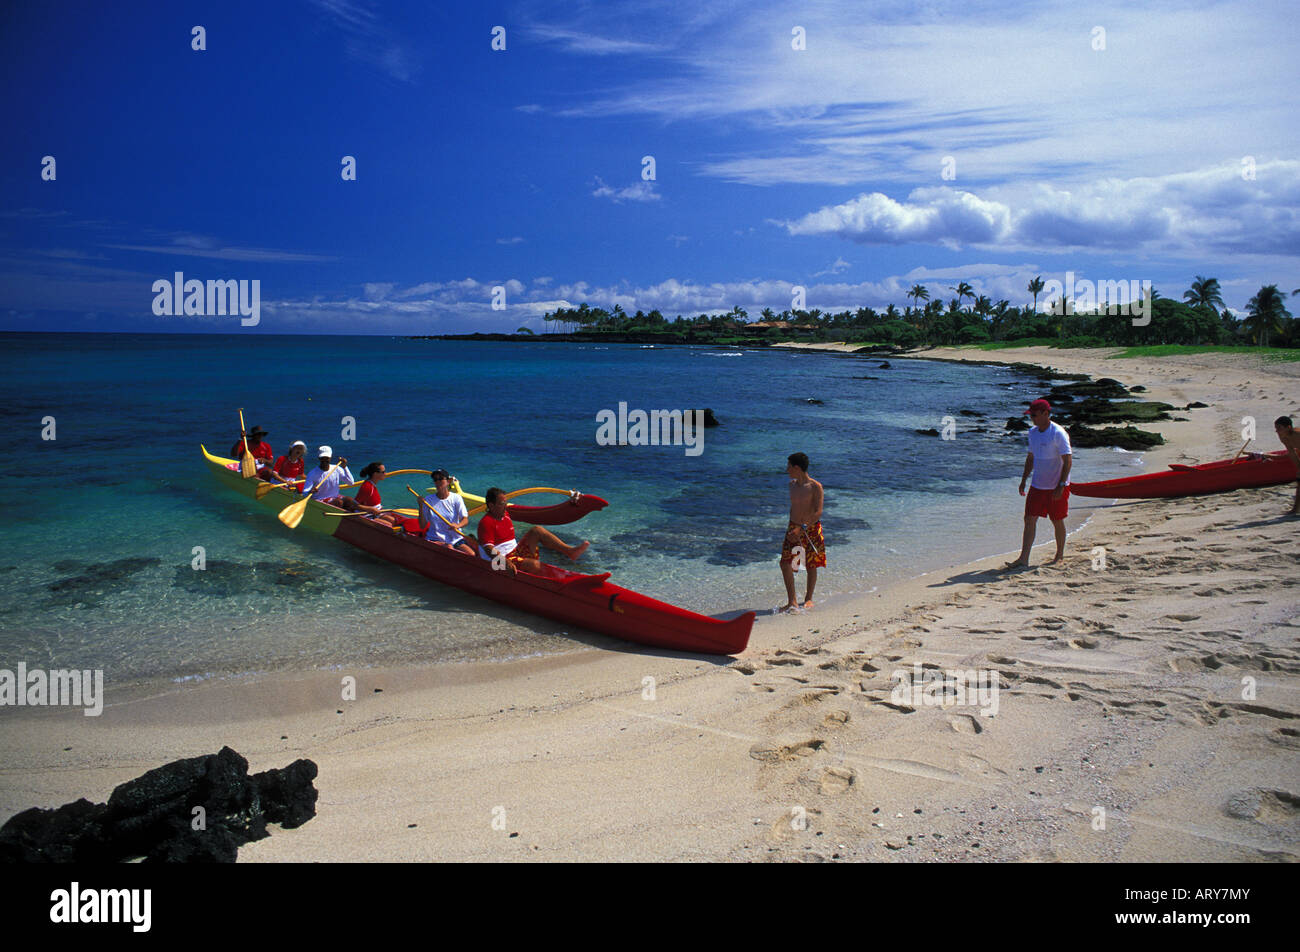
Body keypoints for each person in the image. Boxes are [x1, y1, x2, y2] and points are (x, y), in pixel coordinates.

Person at [1005, 399, 1073, 569]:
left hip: (1056, 485)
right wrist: (1023, 479)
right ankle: (1023, 558)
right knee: (1029, 519)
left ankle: (1059, 555)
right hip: (1038, 485)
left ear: (1045, 413)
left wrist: (1062, 484)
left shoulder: (1058, 432)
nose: (1032, 419)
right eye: (1031, 415)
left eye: (1034, 415)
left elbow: (1067, 459)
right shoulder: (1033, 432)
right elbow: (1031, 458)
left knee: (1057, 520)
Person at [477, 487, 589, 573]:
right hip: (499, 561)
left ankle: (569, 551)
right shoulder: (486, 522)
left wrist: (572, 499)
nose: (505, 506)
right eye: (502, 504)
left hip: (515, 552)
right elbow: (488, 549)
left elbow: (524, 511)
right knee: (535, 565)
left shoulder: (505, 513)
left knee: (537, 530)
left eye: (506, 503)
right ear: (491, 506)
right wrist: (505, 562)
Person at [779, 452, 825, 612]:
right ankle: (792, 601)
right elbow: (794, 507)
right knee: (785, 563)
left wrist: (802, 528)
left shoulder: (815, 486)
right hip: (793, 527)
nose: (787, 470)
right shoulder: (791, 485)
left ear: (796, 467)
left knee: (810, 564)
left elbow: (818, 511)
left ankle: (808, 599)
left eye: (789, 466)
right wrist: (793, 527)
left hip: (810, 528)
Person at [417, 469, 477, 554]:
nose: (438, 482)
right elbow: (422, 526)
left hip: (456, 539)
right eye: (435, 480)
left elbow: (465, 519)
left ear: (448, 481)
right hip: (435, 539)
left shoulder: (456, 498)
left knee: (472, 554)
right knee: (449, 548)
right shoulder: (428, 500)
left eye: (441, 479)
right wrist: (421, 506)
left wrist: (457, 525)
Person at [335, 462, 401, 527]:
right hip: (367, 515)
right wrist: (371, 509)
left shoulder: (372, 485)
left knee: (394, 521)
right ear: (375, 474)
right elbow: (355, 505)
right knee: (389, 525)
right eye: (383, 472)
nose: (385, 474)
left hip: (376, 513)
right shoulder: (367, 487)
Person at [1276, 416, 1300, 516]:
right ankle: (1295, 509)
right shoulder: (1283, 437)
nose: (1277, 431)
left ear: (1289, 427)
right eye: (1276, 429)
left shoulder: (1297, 435)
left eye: (1279, 428)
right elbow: (1292, 453)